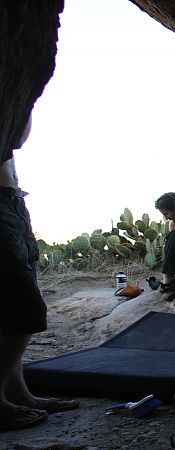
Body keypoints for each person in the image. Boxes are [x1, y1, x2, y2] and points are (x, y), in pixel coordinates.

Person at [1, 114, 78, 431]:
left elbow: (13, 138)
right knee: (23, 307)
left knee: (9, 311)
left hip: (12, 201)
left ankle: (17, 392)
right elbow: (16, 133)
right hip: (4, 205)